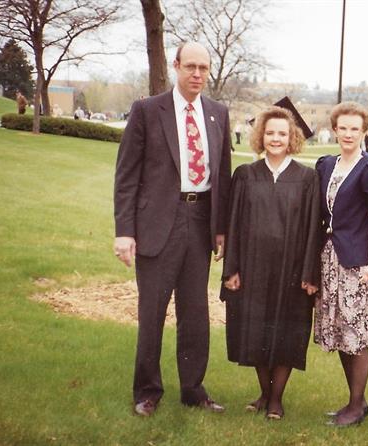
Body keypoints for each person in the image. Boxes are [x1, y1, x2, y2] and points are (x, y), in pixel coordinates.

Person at [114, 41, 232, 416]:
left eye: (203, 68)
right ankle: (147, 391)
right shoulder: (148, 110)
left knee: (195, 312)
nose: (197, 74)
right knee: (152, 311)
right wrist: (124, 231)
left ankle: (193, 390)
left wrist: (221, 227)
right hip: (157, 223)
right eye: (190, 66)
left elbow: (222, 175)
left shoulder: (218, 113)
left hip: (201, 220)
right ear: (176, 66)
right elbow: (126, 176)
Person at [221, 105, 320, 420]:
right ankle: (265, 393)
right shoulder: (245, 175)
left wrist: (309, 273)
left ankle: (276, 399)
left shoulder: (307, 178)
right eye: (270, 133)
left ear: (292, 138)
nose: (276, 139)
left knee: (287, 332)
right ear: (260, 136)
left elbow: (313, 229)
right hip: (254, 268)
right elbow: (234, 225)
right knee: (256, 331)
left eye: (282, 133)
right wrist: (231, 269)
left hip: (292, 270)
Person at [315, 101, 368, 427]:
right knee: (342, 335)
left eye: (354, 129)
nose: (348, 134)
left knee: (355, 335)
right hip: (331, 259)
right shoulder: (326, 165)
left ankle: (356, 407)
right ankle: (354, 402)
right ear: (334, 130)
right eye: (343, 128)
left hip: (359, 264)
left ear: (363, 132)